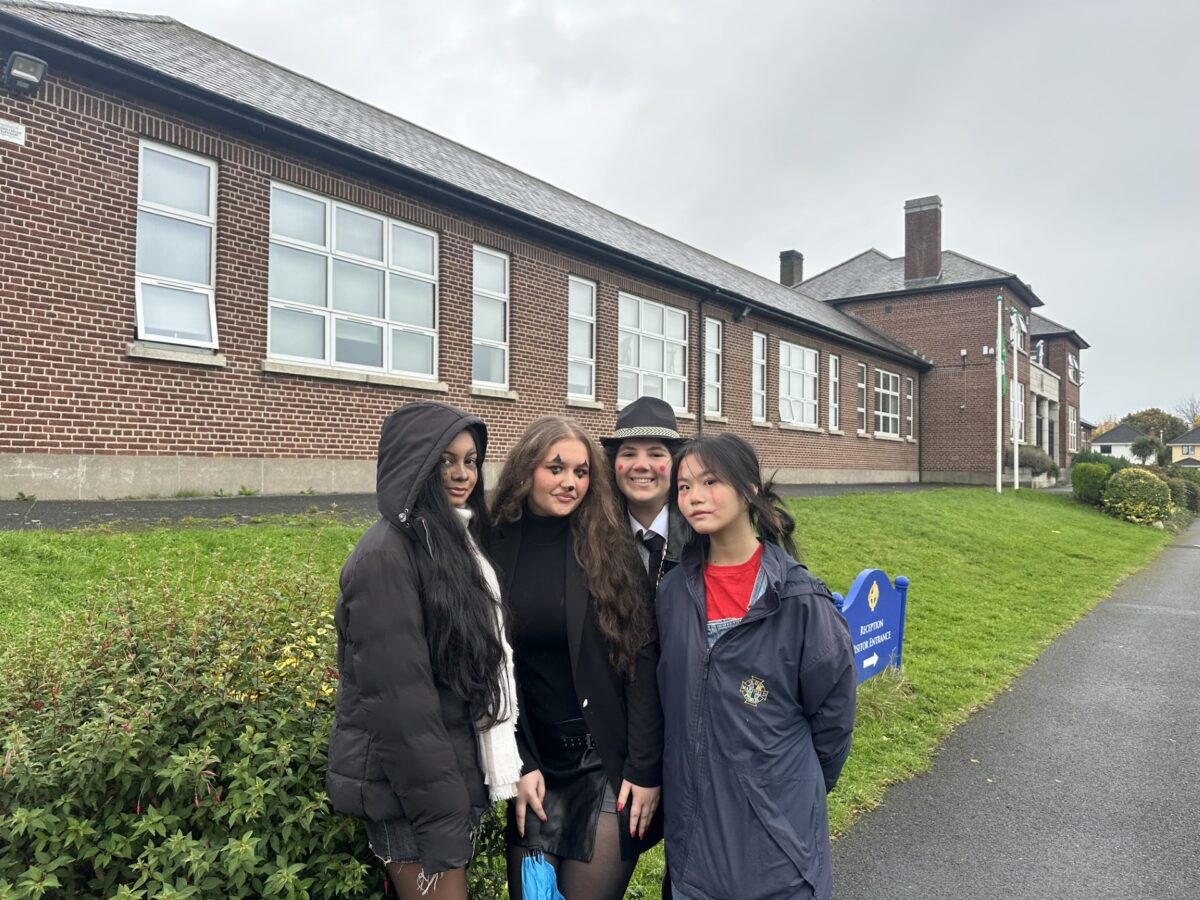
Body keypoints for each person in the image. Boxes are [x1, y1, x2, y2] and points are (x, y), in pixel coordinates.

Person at [326, 401, 522, 900]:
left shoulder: (450, 542)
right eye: (445, 460)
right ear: (413, 462)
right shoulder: (385, 555)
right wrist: (442, 821)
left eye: (471, 461)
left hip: (438, 784)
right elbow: (401, 707)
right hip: (411, 799)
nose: (462, 474)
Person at [656, 433, 856, 900]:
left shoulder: (799, 600)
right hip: (694, 853)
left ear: (749, 489)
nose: (695, 497)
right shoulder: (673, 593)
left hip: (780, 855)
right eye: (684, 487)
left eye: (710, 481)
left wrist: (784, 786)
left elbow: (833, 720)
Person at [488, 415, 664, 899]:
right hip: (536, 762)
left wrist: (644, 769)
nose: (570, 482)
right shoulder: (493, 545)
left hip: (605, 762)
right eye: (556, 468)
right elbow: (486, 669)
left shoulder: (610, 547)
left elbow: (641, 661)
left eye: (582, 472)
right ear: (526, 470)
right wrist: (519, 764)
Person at [601, 396, 688, 588]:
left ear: (676, 464)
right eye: (629, 454)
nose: (641, 465)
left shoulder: (702, 538)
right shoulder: (592, 538)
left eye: (656, 454)